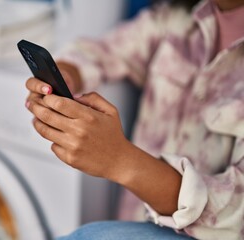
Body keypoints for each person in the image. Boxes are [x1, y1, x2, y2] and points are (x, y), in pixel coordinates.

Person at [25, 0, 244, 239]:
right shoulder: (172, 19)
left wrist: (121, 160)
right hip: (133, 216)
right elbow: (103, 51)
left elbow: (237, 212)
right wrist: (64, 76)